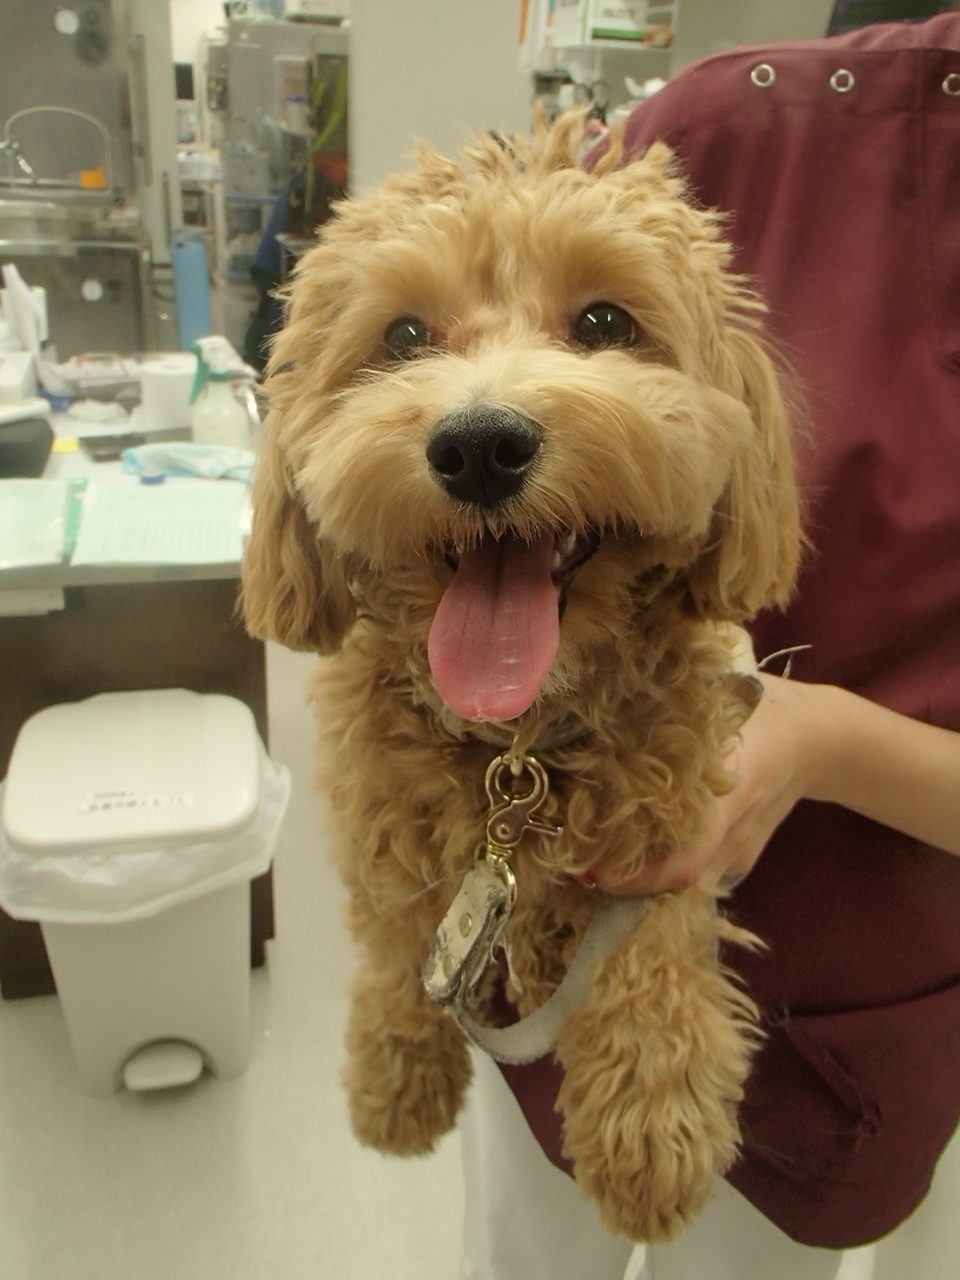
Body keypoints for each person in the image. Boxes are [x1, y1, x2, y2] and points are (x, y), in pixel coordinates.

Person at [459, 13, 960, 1279]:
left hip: (863, 970)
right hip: (549, 901)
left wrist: (823, 743)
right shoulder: (715, 137)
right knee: (525, 1246)